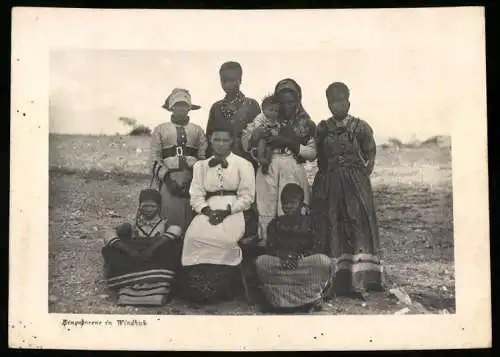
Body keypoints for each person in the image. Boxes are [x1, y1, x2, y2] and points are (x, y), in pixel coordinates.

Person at [311, 82, 383, 298]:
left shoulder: (360, 127)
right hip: (330, 185)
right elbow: (319, 156)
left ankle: (359, 281)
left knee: (357, 226)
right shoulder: (323, 128)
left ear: (348, 102)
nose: (337, 106)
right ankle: (333, 281)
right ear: (328, 104)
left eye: (341, 101)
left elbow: (370, 153)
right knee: (332, 224)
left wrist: (361, 176)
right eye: (333, 102)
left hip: (355, 186)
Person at [179, 121, 256, 304]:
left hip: (234, 210)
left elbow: (247, 196)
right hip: (208, 209)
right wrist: (206, 210)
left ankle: (221, 285)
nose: (221, 144)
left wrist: (228, 211)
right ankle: (200, 286)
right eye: (217, 140)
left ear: (232, 142)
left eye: (225, 140)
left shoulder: (244, 164)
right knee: (193, 236)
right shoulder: (201, 166)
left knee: (224, 239)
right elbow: (196, 195)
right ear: (210, 141)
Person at [242, 78, 316, 246]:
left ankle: (295, 251)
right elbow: (246, 142)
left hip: (292, 168)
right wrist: (256, 135)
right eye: (281, 102)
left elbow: (312, 153)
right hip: (268, 168)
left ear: (297, 101)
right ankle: (267, 251)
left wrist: (290, 143)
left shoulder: (305, 123)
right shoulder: (264, 119)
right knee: (266, 207)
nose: (285, 107)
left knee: (291, 208)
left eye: (290, 102)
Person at [255, 183, 333, 313]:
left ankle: (293, 297)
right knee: (261, 262)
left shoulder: (312, 222)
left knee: (323, 262)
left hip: (302, 264)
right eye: (285, 203)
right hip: (283, 264)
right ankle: (307, 298)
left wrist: (300, 256)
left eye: (292, 203)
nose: (288, 206)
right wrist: (282, 255)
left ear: (301, 204)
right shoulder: (275, 224)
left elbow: (318, 247)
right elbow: (270, 248)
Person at [101, 189, 183, 306]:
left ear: (159, 207)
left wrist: (152, 248)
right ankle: (137, 284)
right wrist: (127, 249)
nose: (148, 209)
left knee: (173, 247)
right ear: (139, 206)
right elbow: (109, 233)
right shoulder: (131, 225)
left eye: (152, 206)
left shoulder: (165, 224)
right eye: (145, 206)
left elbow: (176, 231)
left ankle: (150, 285)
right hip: (136, 257)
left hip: (156, 259)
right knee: (110, 250)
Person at [150, 88, 208, 231]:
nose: (181, 108)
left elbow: (203, 158)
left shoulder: (197, 130)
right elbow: (154, 158)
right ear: (171, 108)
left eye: (184, 105)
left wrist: (193, 179)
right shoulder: (160, 129)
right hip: (168, 179)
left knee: (191, 216)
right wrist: (168, 180)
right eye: (177, 105)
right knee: (167, 215)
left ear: (189, 108)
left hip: (192, 178)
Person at [205, 61, 261, 164]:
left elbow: (258, 136)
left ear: (240, 80)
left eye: (232, 80)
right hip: (220, 163)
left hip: (247, 162)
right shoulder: (216, 107)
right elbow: (209, 138)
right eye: (224, 81)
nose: (227, 84)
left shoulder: (251, 105)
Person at [242, 94, 281, 175]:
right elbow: (258, 128)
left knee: (270, 148)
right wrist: (265, 129)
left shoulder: (275, 120)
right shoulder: (260, 117)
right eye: (271, 110)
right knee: (262, 141)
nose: (274, 113)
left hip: (269, 138)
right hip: (260, 137)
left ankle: (265, 165)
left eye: (276, 111)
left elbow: (277, 128)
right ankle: (260, 157)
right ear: (264, 110)